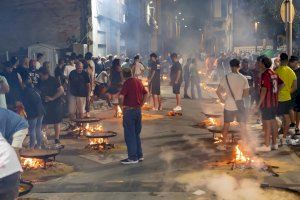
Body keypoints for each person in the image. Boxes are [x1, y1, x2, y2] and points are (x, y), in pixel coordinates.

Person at [216, 59, 250, 150]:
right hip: (239, 104)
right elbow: (246, 94)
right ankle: (245, 144)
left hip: (228, 104)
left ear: (230, 67)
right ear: (239, 66)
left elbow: (218, 91)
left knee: (226, 125)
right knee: (242, 124)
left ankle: (223, 144)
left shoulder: (226, 77)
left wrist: (222, 100)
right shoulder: (243, 78)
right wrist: (240, 98)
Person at [119, 68, 148, 164]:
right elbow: (146, 93)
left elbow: (120, 96)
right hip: (137, 111)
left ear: (123, 75)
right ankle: (139, 156)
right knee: (136, 134)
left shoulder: (127, 83)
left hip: (129, 112)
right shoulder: (138, 81)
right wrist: (141, 105)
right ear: (131, 73)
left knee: (130, 135)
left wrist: (121, 107)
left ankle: (132, 158)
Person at [254, 57, 283, 152]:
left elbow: (264, 90)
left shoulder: (265, 74)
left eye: (260, 63)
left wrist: (258, 105)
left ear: (263, 64)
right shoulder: (273, 73)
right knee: (273, 122)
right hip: (274, 103)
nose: (258, 64)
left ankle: (266, 145)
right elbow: (282, 84)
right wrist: (276, 93)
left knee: (267, 124)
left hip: (267, 104)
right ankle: (274, 143)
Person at [0, 109, 28, 200]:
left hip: (20, 127)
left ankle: (19, 176)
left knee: (14, 150)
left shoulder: (1, 115)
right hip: (9, 170)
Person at [36, 66, 64, 145]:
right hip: (44, 104)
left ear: (46, 74)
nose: (40, 77)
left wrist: (52, 98)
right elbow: (38, 90)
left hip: (55, 104)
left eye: (41, 75)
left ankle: (56, 138)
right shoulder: (40, 81)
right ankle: (44, 139)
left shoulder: (54, 80)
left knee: (56, 121)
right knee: (44, 122)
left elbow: (61, 90)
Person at [275, 53, 297, 145]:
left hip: (277, 98)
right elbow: (295, 87)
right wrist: (288, 92)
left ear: (280, 60)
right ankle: (284, 138)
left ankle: (275, 138)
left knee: (274, 118)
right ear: (287, 61)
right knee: (286, 118)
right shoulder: (291, 71)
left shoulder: (276, 71)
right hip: (287, 98)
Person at [21, 78, 45, 149]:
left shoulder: (25, 92)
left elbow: (26, 104)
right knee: (38, 129)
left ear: (24, 85)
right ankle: (39, 146)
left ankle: (31, 147)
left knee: (32, 129)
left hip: (32, 113)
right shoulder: (35, 90)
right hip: (40, 111)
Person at [289, 56, 300, 132]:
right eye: (290, 62)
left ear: (296, 61)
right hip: (291, 93)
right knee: (291, 109)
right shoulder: (289, 70)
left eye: (292, 62)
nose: (291, 63)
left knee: (298, 110)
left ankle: (297, 126)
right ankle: (293, 124)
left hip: (299, 93)